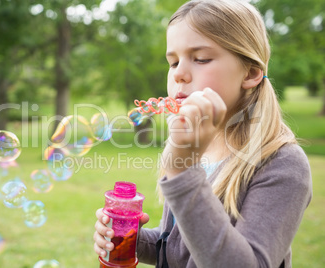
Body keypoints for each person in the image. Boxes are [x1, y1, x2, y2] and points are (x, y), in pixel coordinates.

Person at [93, 0, 312, 267]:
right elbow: (181, 248)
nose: (180, 75)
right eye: (173, 62)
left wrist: (182, 173)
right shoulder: (196, 149)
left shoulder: (281, 163)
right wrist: (131, 238)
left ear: (251, 73)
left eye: (201, 59)